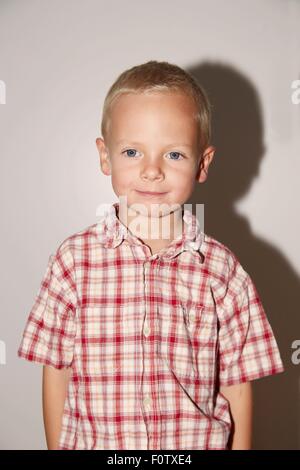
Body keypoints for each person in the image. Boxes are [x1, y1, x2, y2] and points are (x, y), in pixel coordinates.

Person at [17, 60, 284, 450]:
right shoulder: (73, 263)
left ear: (202, 163)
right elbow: (56, 370)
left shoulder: (223, 272)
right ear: (105, 156)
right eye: (132, 151)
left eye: (173, 155)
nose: (152, 171)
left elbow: (237, 387)